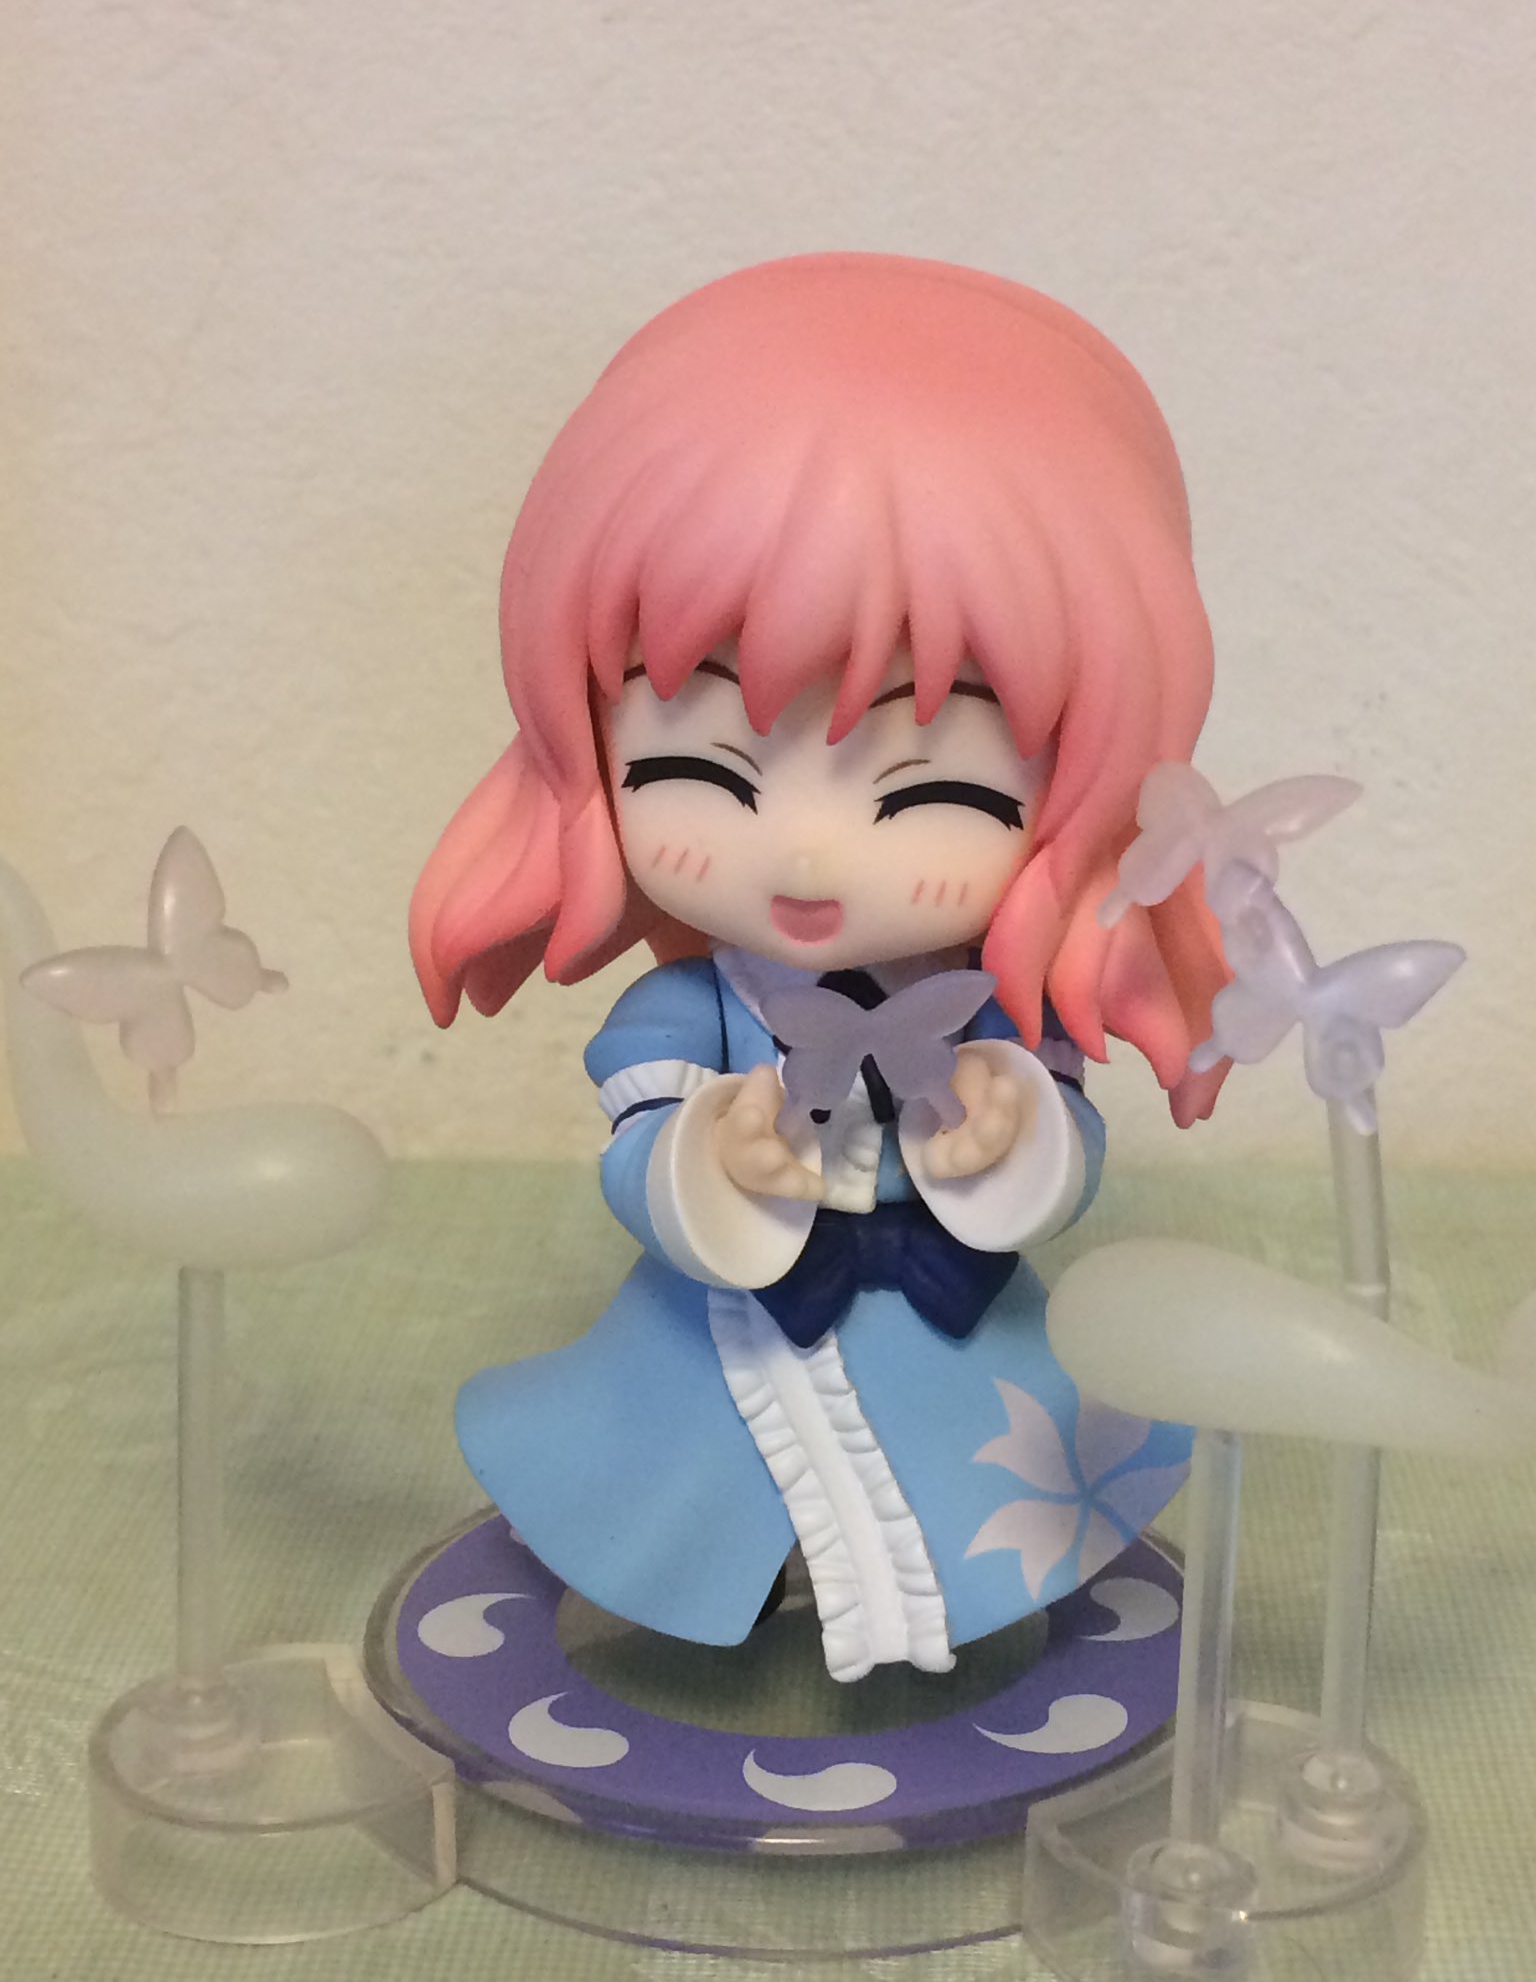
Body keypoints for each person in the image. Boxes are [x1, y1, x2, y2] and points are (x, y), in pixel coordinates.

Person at [410, 254, 1228, 1682]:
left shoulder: (990, 1010)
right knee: (700, 1494)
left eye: (932, 792)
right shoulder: (689, 1016)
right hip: (713, 1344)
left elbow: (1069, 1137)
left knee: (981, 1520)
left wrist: (1010, 1138)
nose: (804, 850)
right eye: (701, 770)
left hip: (959, 1351)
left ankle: (961, 1640)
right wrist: (706, 1162)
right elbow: (636, 1154)